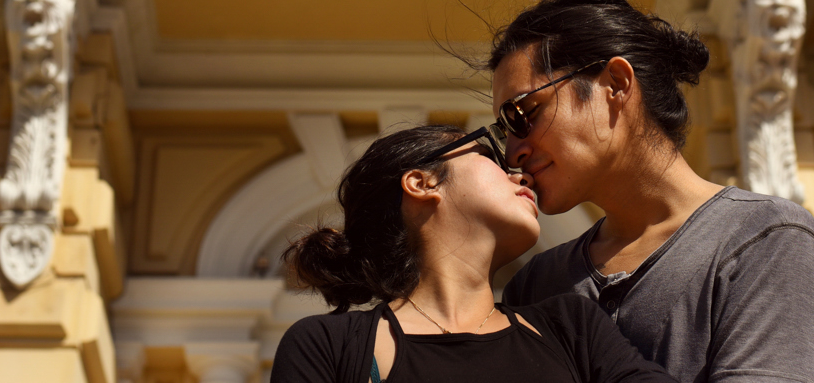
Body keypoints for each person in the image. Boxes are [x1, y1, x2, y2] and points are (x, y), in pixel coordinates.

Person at [493, 0, 814, 383]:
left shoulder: (762, 237)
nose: (513, 152)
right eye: (504, 132)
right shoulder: (536, 283)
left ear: (616, 85)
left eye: (523, 114)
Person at [271, 123, 679, 383]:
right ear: (422, 182)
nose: (520, 173)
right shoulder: (327, 346)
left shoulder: (573, 328)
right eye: (487, 155)